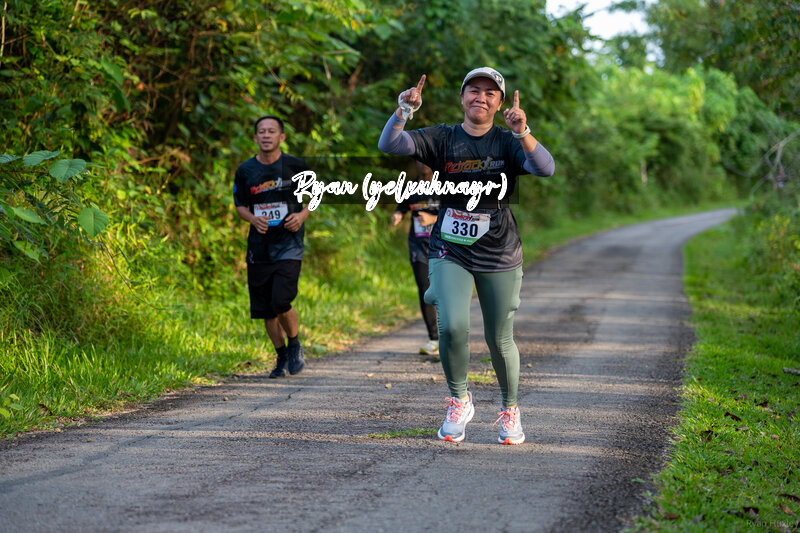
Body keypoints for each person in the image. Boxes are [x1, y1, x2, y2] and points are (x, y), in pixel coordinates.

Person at [378, 68, 555, 445]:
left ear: (500, 104)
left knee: (499, 338)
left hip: (499, 249)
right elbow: (390, 145)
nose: (481, 97)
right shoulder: (442, 137)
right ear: (462, 97)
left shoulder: (508, 141)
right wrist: (403, 111)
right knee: (452, 327)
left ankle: (510, 408)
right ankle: (459, 400)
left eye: (490, 93)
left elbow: (545, 168)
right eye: (474, 90)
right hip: (450, 247)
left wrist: (522, 131)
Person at [233, 115, 311, 378]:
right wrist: (253, 219)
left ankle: (294, 344)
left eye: (272, 131)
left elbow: (316, 195)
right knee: (266, 309)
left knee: (281, 300)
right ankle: (281, 356)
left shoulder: (295, 166)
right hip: (259, 248)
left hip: (289, 245)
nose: (266, 135)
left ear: (282, 137)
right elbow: (239, 205)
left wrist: (301, 216)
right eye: (262, 132)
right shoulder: (246, 170)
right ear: (255, 137)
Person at [390, 161, 440, 356]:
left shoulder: (446, 185)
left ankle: (452, 335)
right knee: (425, 290)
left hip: (443, 247)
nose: (422, 164)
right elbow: (402, 207)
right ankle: (434, 339)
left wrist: (432, 219)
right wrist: (398, 215)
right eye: (418, 160)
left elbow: (456, 213)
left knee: (445, 291)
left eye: (426, 159)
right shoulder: (410, 186)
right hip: (418, 247)